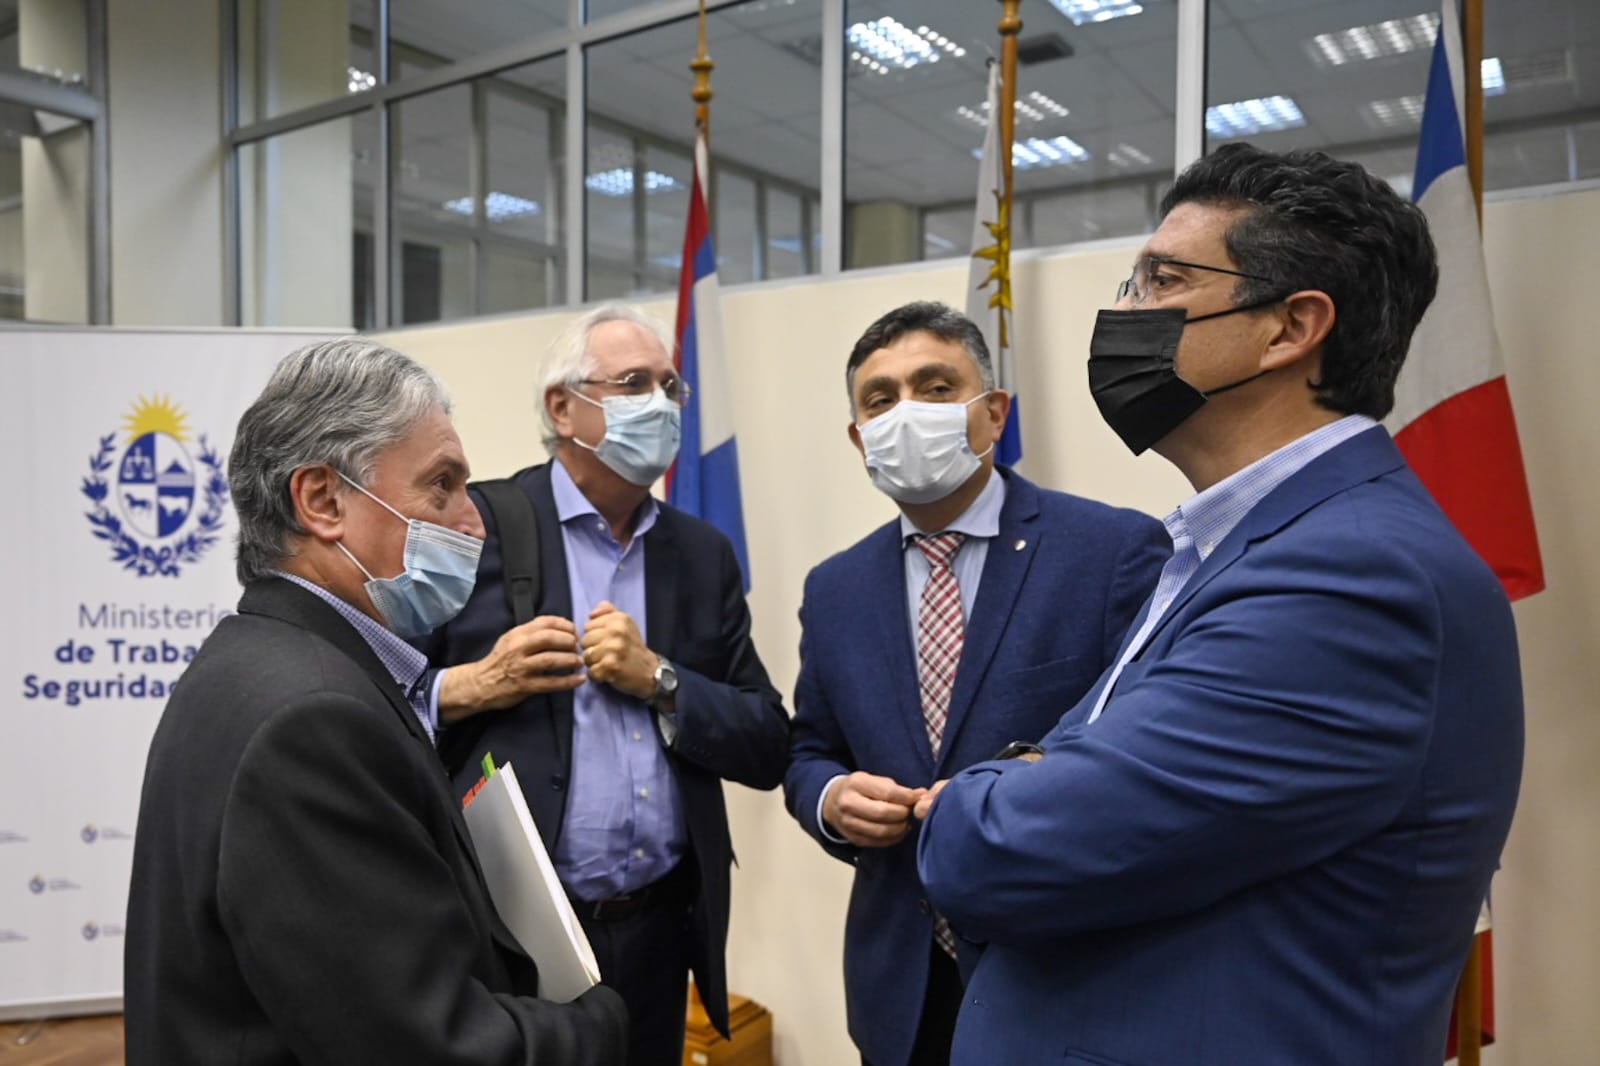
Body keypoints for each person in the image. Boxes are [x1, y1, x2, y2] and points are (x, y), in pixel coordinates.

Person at [915, 144, 1525, 1065]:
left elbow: (1001, 850)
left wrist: (975, 796)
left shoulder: (1350, 578)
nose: (1123, 308)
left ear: (1290, 329)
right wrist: (1033, 773)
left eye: (1162, 279)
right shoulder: (1233, 545)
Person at [124, 339, 628, 1065]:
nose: (475, 522)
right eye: (443, 485)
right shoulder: (314, 719)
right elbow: (424, 1045)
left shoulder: (254, 658)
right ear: (324, 500)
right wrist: (599, 1025)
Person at [785, 301, 1168, 1066]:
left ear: (993, 414)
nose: (907, 413)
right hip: (901, 989)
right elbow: (808, 750)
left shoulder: (1112, 551)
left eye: (934, 387)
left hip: (1064, 973)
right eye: (881, 399)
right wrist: (830, 799)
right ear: (861, 441)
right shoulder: (834, 588)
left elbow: (1153, 747)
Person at [415, 303, 790, 1066]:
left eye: (670, 386)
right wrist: (474, 684)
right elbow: (378, 699)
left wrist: (661, 679)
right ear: (563, 407)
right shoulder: (475, 524)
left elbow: (768, 741)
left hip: (659, 931)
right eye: (633, 383)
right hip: (514, 932)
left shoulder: (700, 554)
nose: (660, 403)